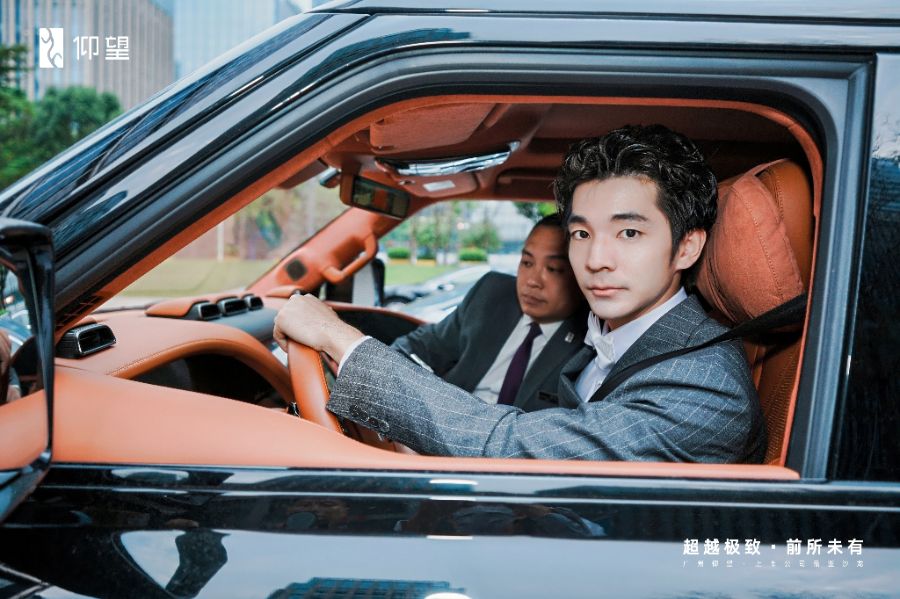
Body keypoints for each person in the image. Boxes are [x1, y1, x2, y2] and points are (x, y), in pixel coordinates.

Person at [274, 124, 766, 463]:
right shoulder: (618, 336)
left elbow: (510, 445)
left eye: (629, 233)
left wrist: (338, 338)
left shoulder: (701, 384)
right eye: (582, 233)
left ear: (686, 247)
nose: (596, 259)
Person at [390, 215, 587, 412]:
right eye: (527, 262)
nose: (532, 281)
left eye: (553, 269)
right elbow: (419, 346)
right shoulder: (491, 294)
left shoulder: (591, 340)